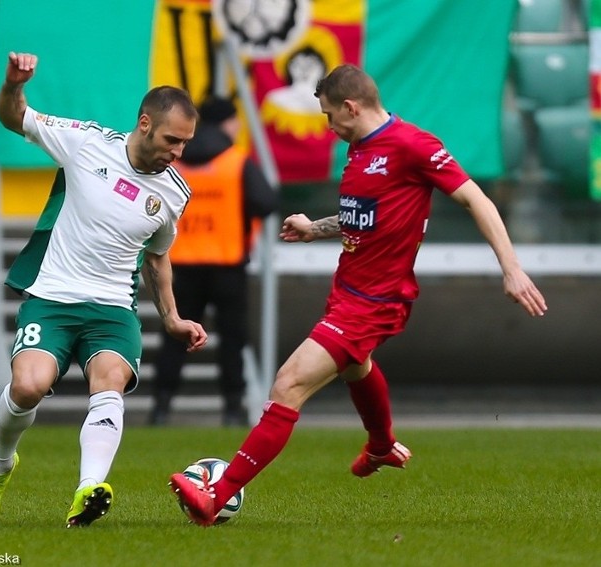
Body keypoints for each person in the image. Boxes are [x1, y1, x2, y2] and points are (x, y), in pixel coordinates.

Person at [169, 64, 548, 526]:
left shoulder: (414, 145)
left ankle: (217, 495)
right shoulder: (359, 150)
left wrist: (511, 269)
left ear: (352, 107)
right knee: (356, 367)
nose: (328, 127)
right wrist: (315, 229)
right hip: (348, 291)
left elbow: (477, 200)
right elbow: (362, 216)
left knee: (287, 384)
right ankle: (382, 445)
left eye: (330, 116)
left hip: (377, 300)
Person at [0, 51, 208, 528]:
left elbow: (158, 259)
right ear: (144, 124)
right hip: (53, 297)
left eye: (185, 143)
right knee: (28, 386)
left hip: (113, 309)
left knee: (110, 383)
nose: (178, 152)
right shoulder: (87, 143)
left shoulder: (175, 193)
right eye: (171, 140)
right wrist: (14, 84)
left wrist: (172, 319)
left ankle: (88, 490)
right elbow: (14, 118)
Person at [149, 95, 277, 427]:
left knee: (174, 337)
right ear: (228, 122)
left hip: (181, 264)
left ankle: (161, 407)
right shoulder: (236, 161)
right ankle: (233, 409)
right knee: (232, 341)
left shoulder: (174, 161)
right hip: (227, 263)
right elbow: (266, 201)